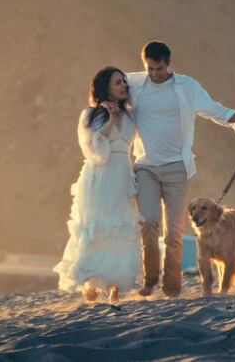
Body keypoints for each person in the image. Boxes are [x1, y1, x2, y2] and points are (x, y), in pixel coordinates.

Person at [128, 41, 235, 298]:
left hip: (176, 168)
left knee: (174, 230)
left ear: (167, 64)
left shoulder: (187, 87)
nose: (154, 74)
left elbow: (216, 110)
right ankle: (150, 280)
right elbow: (107, 86)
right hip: (146, 166)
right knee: (148, 222)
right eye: (149, 68)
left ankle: (171, 287)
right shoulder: (134, 84)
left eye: (158, 68)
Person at [54, 66, 142, 304]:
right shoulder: (91, 115)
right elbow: (93, 149)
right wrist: (111, 121)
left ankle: (115, 286)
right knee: (99, 226)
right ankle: (91, 284)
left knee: (122, 226)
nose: (123, 85)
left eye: (124, 81)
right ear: (105, 87)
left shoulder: (131, 115)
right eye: (117, 83)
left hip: (123, 173)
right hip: (102, 175)